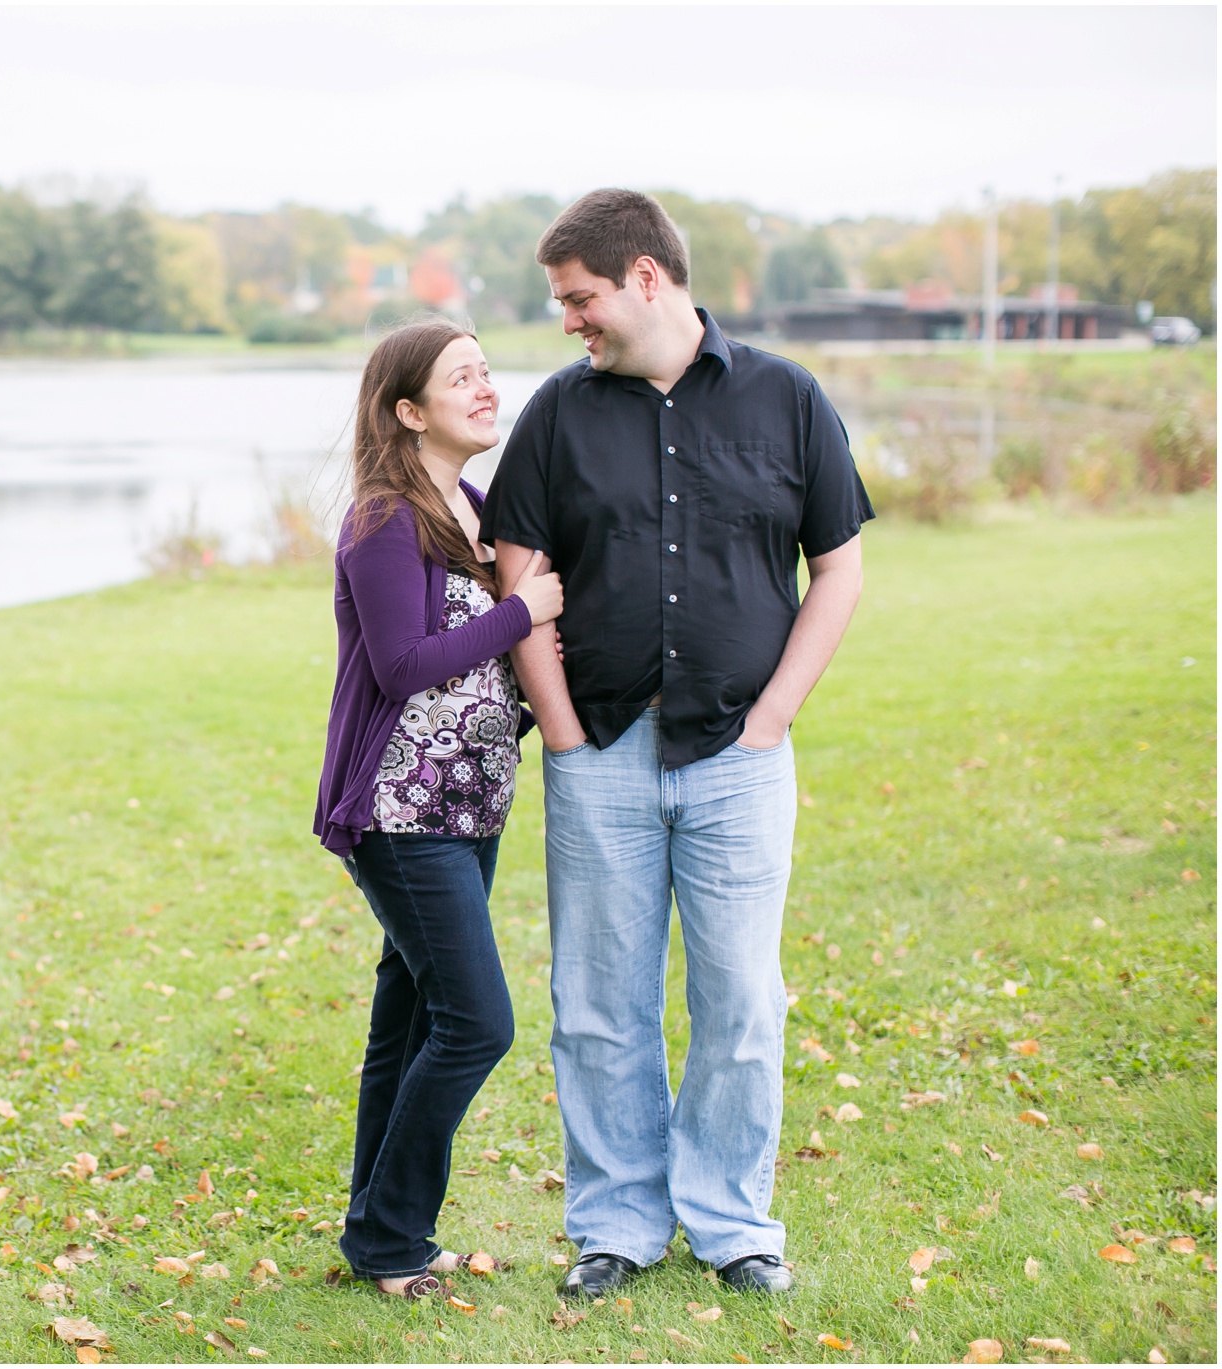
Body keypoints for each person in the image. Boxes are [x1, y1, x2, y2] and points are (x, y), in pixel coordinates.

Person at [481, 190, 873, 1299]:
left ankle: (731, 1221)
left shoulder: (785, 398)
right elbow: (517, 576)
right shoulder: (556, 415)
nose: (568, 321)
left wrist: (772, 717)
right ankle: (614, 1224)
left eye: (579, 298)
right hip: (598, 748)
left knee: (740, 1000)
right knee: (599, 1003)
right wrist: (557, 730)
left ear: (645, 278)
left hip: (739, 758)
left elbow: (835, 564)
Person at [314, 319, 564, 1299]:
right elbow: (400, 663)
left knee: (410, 1024)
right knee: (474, 1023)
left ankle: (376, 1233)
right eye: (462, 377)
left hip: (467, 814)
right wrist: (522, 611)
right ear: (408, 410)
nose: (485, 388)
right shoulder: (384, 517)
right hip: (399, 813)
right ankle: (390, 1233)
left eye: (486, 372)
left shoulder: (469, 504)